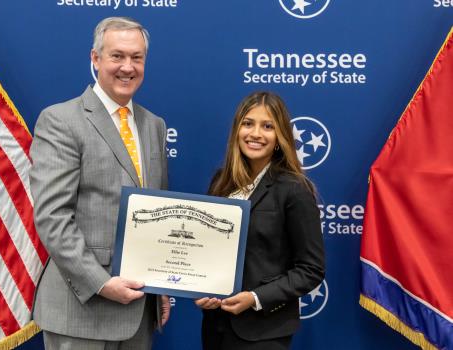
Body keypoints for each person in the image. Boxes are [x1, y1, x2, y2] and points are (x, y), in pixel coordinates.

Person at [30, 17, 170, 349]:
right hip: (83, 310)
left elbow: (158, 212)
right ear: (95, 59)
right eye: (117, 56)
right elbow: (52, 217)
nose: (128, 67)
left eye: (136, 57)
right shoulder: (61, 121)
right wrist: (101, 284)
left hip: (139, 308)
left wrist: (162, 283)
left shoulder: (154, 125)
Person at [196, 91, 325, 349]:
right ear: (237, 130)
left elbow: (311, 269)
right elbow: (208, 251)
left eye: (267, 126)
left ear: (279, 138)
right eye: (248, 123)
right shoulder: (221, 183)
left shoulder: (294, 188)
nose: (255, 133)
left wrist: (255, 297)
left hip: (264, 333)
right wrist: (202, 288)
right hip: (215, 327)